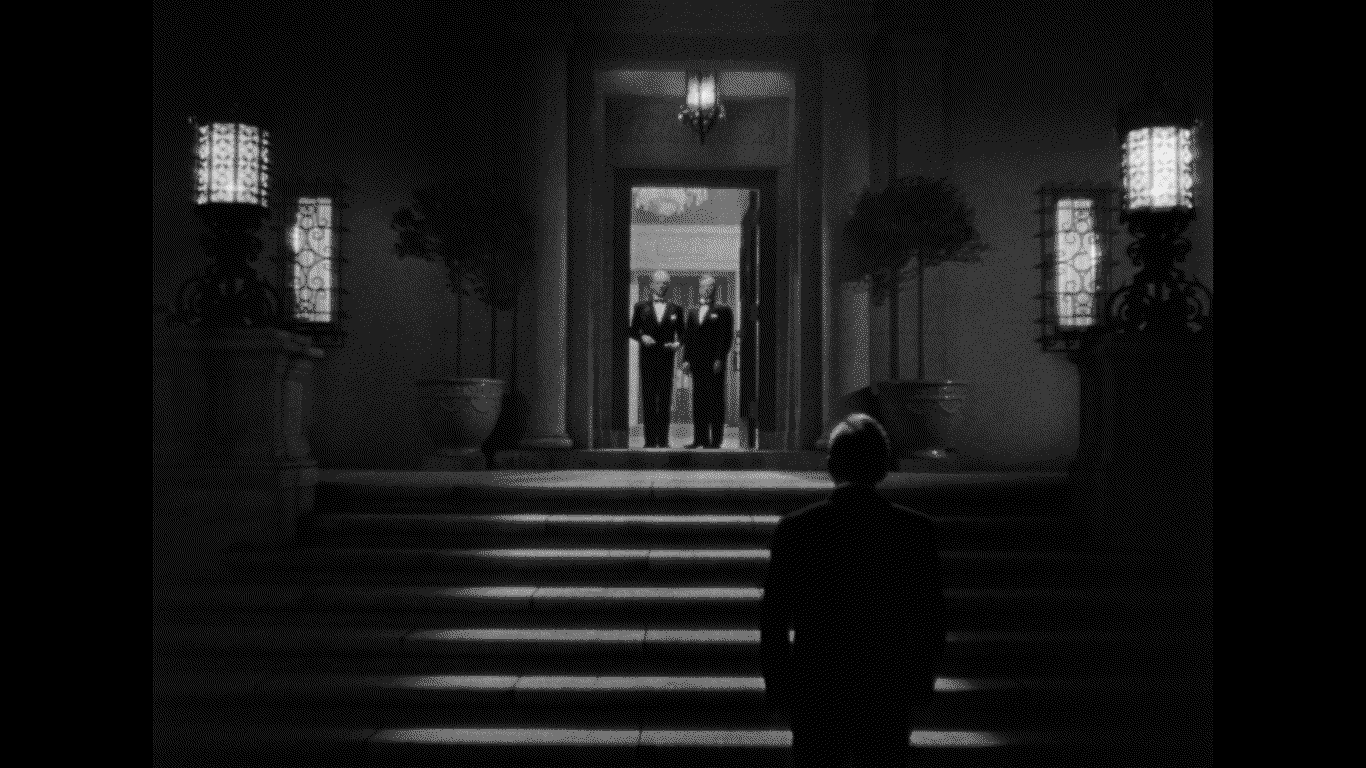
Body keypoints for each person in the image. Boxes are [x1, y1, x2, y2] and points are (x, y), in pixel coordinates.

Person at [760, 413, 947, 767]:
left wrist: (781, 692)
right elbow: (931, 620)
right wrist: (919, 687)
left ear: (831, 466)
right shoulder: (915, 531)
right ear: (883, 467)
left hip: (817, 686)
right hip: (886, 688)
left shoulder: (796, 530)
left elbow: (773, 622)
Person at [628, 270, 684, 448]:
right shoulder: (640, 307)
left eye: (665, 283)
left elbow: (683, 334)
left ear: (668, 285)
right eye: (659, 283)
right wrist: (641, 337)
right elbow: (631, 330)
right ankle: (650, 441)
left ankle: (663, 440)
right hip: (648, 359)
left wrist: (678, 344)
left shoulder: (676, 309)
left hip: (667, 360)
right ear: (652, 284)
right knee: (649, 399)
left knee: (665, 399)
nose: (662, 286)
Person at [681, 274, 734, 449]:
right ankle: (699, 439)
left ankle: (716, 440)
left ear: (715, 289)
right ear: (700, 289)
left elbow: (725, 337)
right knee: (699, 400)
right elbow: (688, 338)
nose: (707, 290)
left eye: (710, 287)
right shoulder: (692, 312)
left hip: (715, 363)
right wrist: (686, 360)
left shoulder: (724, 310)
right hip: (697, 363)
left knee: (716, 400)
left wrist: (720, 358)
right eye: (704, 287)